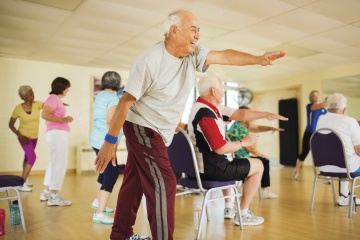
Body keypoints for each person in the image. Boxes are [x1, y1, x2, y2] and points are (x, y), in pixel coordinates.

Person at [94, 10, 286, 240]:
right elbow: (125, 103)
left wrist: (257, 59)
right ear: (174, 31)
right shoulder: (149, 61)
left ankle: (121, 235)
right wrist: (109, 142)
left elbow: (224, 55)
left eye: (199, 30)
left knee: (134, 182)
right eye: (193, 29)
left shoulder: (192, 55)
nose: (198, 35)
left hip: (158, 130)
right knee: (165, 184)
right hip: (142, 127)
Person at [188, 75, 288, 226]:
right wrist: (243, 142)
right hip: (212, 168)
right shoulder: (205, 114)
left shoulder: (208, 107)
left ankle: (229, 208)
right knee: (258, 166)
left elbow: (241, 114)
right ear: (214, 91)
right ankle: (243, 213)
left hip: (204, 166)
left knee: (233, 160)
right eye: (222, 89)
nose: (223, 92)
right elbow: (220, 148)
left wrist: (266, 114)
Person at [227, 106, 283, 199]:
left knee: (260, 160)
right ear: (243, 117)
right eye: (250, 115)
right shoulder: (240, 129)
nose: (252, 117)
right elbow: (249, 148)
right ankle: (264, 190)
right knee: (264, 160)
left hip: (237, 157)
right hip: (239, 159)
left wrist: (271, 128)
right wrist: (261, 154)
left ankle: (242, 187)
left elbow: (257, 128)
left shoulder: (237, 125)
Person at [90, 71, 123, 224]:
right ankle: (99, 213)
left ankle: (98, 201)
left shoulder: (101, 96)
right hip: (106, 142)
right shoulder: (113, 98)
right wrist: (113, 147)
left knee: (104, 171)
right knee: (112, 174)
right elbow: (111, 121)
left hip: (96, 139)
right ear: (117, 84)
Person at [316, 93, 360, 205]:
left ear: (328, 107)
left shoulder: (321, 119)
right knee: (350, 158)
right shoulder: (350, 121)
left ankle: (345, 195)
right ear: (344, 109)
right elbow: (358, 149)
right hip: (347, 167)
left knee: (345, 156)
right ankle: (345, 195)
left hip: (324, 168)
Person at [40, 77, 73, 206]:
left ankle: (47, 192)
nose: (68, 91)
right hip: (57, 134)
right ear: (62, 87)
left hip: (55, 134)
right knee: (59, 164)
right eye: (67, 88)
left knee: (53, 163)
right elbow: (45, 114)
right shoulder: (53, 98)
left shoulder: (55, 99)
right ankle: (54, 195)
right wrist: (64, 120)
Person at [9, 86, 43, 192]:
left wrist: (60, 103)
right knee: (32, 157)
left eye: (33, 93)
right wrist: (20, 136)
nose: (33, 95)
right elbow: (11, 125)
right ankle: (21, 183)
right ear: (24, 96)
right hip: (23, 136)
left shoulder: (37, 104)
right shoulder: (18, 109)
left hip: (34, 137)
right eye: (30, 94)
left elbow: (50, 105)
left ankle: (25, 178)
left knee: (27, 157)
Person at [293, 90, 327, 181]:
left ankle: (326, 175)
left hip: (319, 134)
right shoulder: (310, 106)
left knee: (323, 153)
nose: (316, 97)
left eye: (317, 95)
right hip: (309, 133)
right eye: (314, 96)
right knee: (304, 153)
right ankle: (296, 171)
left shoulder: (324, 110)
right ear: (312, 97)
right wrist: (329, 102)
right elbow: (318, 106)